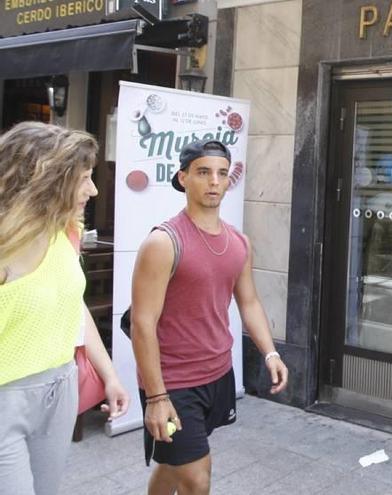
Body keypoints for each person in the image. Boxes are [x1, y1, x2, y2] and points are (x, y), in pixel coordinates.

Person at [130, 139, 288, 495]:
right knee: (197, 479)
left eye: (221, 173)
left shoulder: (239, 242)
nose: (215, 181)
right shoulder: (164, 242)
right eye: (203, 172)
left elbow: (248, 302)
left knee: (175, 466)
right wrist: (156, 397)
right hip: (173, 383)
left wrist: (271, 353)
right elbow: (143, 323)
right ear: (183, 178)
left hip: (217, 375)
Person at [0, 122, 127, 495]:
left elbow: (75, 309)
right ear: (46, 178)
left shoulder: (66, 231)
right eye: (84, 178)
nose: (94, 189)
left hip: (61, 389)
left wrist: (110, 375)